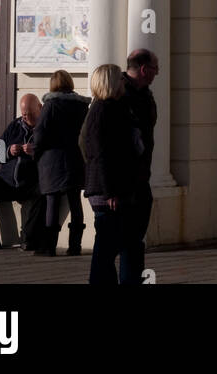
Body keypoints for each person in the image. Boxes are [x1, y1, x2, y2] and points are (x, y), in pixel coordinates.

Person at [80, 63, 145, 285]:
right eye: (119, 79)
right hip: (107, 191)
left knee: (116, 244)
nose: (123, 83)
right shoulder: (103, 110)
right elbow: (101, 154)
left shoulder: (113, 107)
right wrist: (111, 192)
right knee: (106, 249)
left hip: (113, 188)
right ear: (109, 82)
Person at [0, 94, 45, 250]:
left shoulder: (47, 127)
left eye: (31, 115)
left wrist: (36, 152)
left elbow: (55, 155)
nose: (27, 118)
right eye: (24, 115)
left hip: (31, 182)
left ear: (40, 108)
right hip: (8, 181)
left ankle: (30, 239)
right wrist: (8, 151)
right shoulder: (15, 125)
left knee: (44, 192)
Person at [30, 70, 89, 255]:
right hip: (75, 157)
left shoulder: (51, 104)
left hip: (52, 159)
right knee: (75, 202)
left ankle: (49, 246)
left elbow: (39, 133)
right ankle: (75, 246)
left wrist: (36, 152)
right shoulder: (82, 106)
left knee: (52, 201)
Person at [120, 48, 159, 284]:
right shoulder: (119, 95)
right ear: (144, 69)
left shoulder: (145, 94)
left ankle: (132, 279)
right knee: (117, 242)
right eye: (155, 69)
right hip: (123, 181)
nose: (157, 73)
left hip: (140, 177)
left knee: (134, 240)